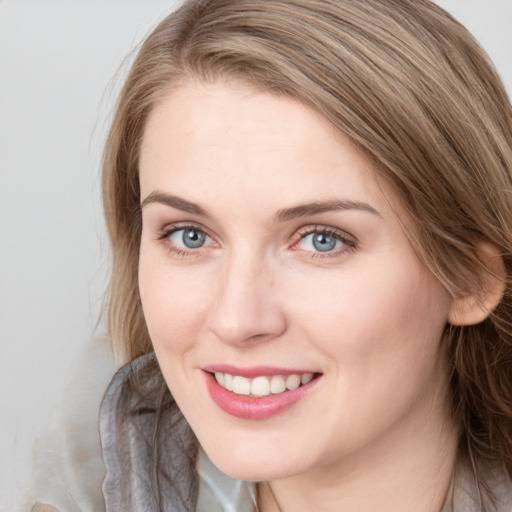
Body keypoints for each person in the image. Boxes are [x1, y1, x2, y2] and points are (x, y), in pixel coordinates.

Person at [31, 0, 512, 511]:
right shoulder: (92, 464)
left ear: (468, 278)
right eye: (189, 235)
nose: (237, 320)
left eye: (321, 239)